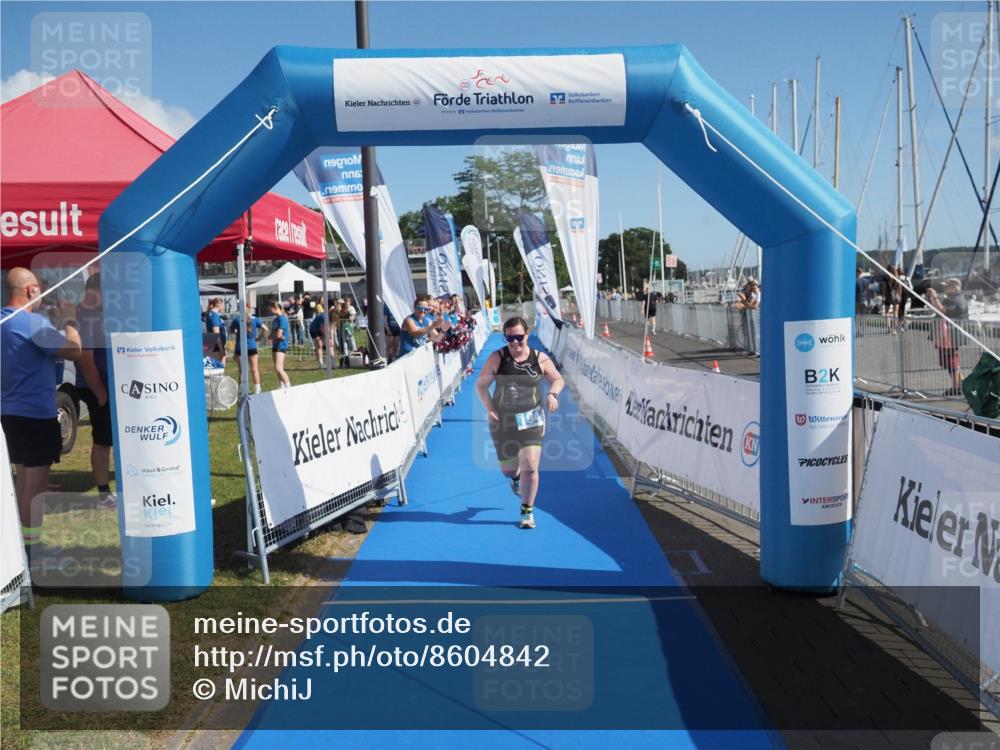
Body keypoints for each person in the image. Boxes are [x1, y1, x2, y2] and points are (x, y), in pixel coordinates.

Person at [1, 268, 86, 564]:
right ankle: (31, 553)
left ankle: (24, 549)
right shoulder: (30, 322)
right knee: (34, 487)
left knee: (24, 480)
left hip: (10, 414)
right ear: (31, 290)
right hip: (35, 414)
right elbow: (73, 350)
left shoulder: (3, 320)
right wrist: (71, 319)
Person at [476, 317, 565, 529]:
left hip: (531, 419)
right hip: (503, 421)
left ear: (527, 334)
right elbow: (481, 385)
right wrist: (489, 408)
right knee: (508, 470)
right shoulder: (498, 358)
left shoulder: (540, 358)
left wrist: (553, 394)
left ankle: (527, 511)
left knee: (531, 468)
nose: (515, 342)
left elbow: (558, 379)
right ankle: (514, 478)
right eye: (509, 338)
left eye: (519, 337)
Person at [74, 273, 117, 508]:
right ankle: (103, 493)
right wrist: (100, 391)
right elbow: (85, 358)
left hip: (108, 386)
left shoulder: (95, 314)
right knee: (103, 439)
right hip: (97, 387)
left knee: (108, 438)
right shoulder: (87, 316)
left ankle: (108, 490)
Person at [230, 304, 267, 393]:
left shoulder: (237, 320)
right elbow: (266, 329)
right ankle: (257, 389)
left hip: (240, 346)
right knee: (254, 369)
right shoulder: (255, 319)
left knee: (242, 370)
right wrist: (259, 338)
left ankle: (243, 390)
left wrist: (236, 333)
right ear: (249, 309)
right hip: (252, 346)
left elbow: (230, 330)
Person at [269, 301, 291, 389]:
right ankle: (281, 385)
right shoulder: (275, 320)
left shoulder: (282, 319)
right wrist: (274, 336)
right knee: (277, 368)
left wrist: (274, 336)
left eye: (271, 309)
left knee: (279, 367)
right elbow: (273, 334)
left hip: (281, 345)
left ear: (276, 308)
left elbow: (278, 334)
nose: (270, 311)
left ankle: (288, 385)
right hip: (275, 345)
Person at [205, 297, 227, 365]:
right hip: (216, 346)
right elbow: (216, 333)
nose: (224, 306)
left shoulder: (214, 314)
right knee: (219, 368)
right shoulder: (214, 315)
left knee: (219, 368)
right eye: (223, 304)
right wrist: (221, 349)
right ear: (218, 304)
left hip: (217, 345)